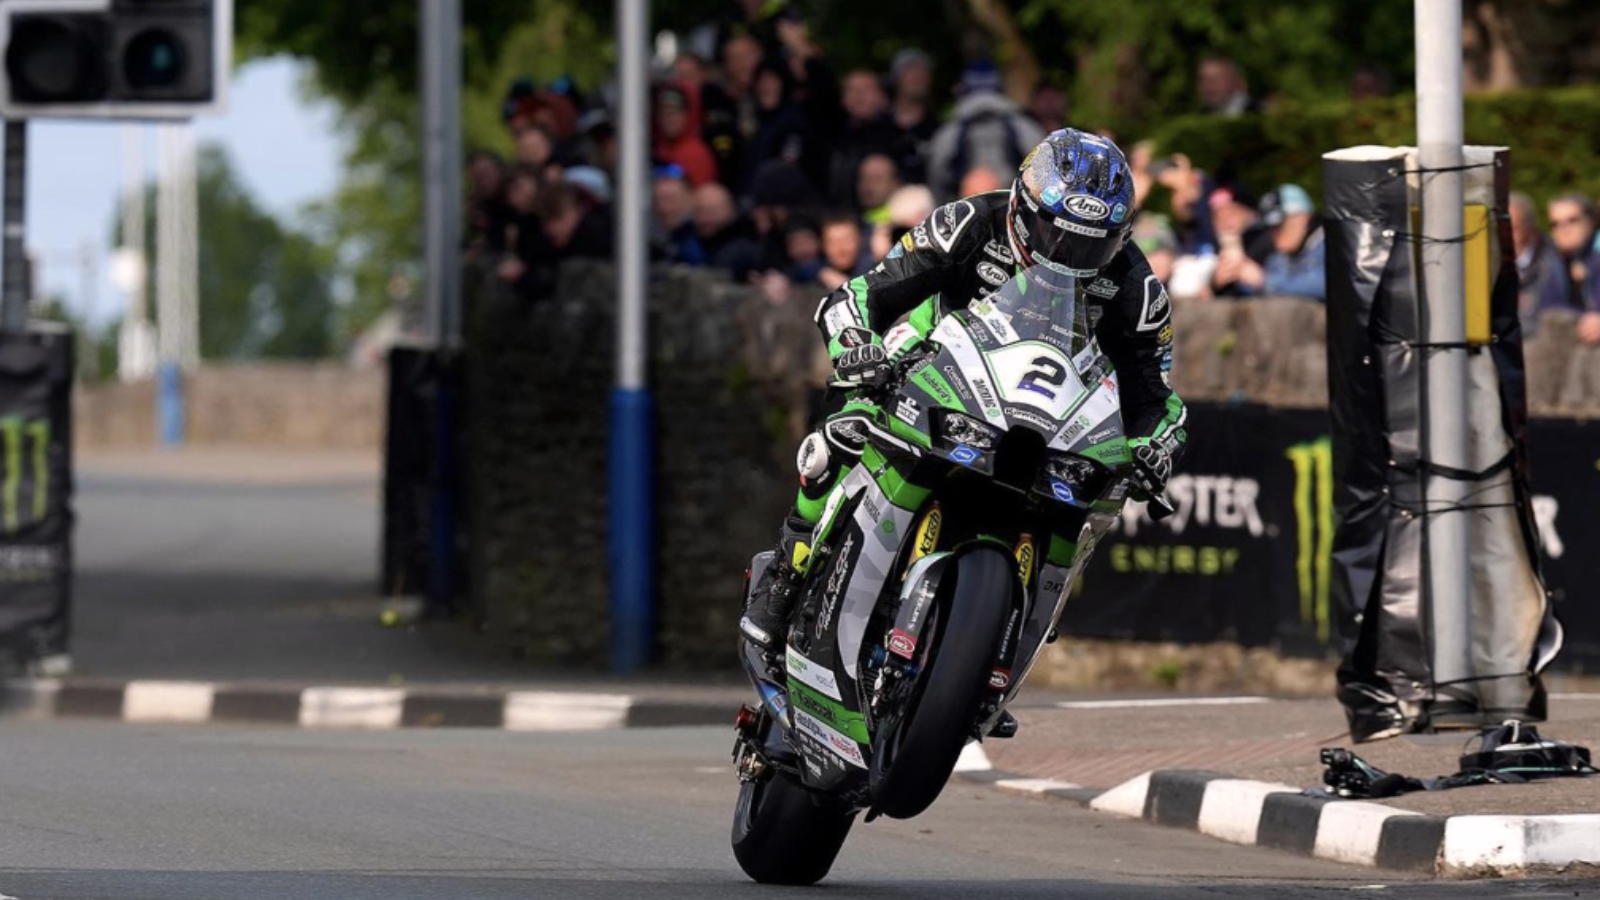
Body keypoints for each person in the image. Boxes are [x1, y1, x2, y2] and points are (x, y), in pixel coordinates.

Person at [739, 129, 1189, 739]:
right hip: (933, 361)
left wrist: (1152, 445)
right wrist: (856, 345)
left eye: (1092, 244)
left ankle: (997, 656)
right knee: (847, 422)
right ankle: (789, 571)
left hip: (1042, 410)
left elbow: (1155, 397)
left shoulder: (1136, 289)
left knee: (1093, 509)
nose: (1069, 255)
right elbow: (865, 294)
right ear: (1023, 211)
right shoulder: (967, 223)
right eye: (1057, 235)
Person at [926, 60, 1044, 201]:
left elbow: (937, 171)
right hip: (1013, 205)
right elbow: (1042, 167)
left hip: (964, 206)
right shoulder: (1021, 125)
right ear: (1000, 87)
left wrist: (944, 206)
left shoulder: (952, 130)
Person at [1226, 184, 1326, 301]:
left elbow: (1324, 285)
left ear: (1301, 218)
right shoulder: (1280, 253)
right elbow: (1254, 289)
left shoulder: (1328, 241)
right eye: (1269, 229)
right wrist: (1237, 272)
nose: (1274, 235)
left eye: (1279, 226)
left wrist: (1264, 281)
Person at [1543, 193, 1600, 345]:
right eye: (1555, 224)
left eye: (1572, 220)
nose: (1563, 229)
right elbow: (1549, 310)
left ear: (1591, 221)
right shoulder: (1552, 263)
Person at [1509, 191, 1564, 336]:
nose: (1504, 237)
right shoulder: (1488, 264)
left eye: (1513, 229)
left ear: (1530, 228)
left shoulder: (1553, 260)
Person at [652, 82, 718, 187]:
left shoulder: (697, 155)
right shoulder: (653, 150)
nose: (668, 119)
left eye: (674, 113)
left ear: (688, 115)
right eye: (664, 112)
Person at [693, 182, 763, 277]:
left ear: (730, 211)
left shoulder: (739, 250)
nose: (705, 219)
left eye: (712, 212)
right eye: (699, 211)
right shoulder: (692, 241)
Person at [817, 211, 871, 290]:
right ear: (823, 245)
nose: (841, 249)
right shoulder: (813, 280)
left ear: (859, 240)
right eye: (833, 242)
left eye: (847, 240)